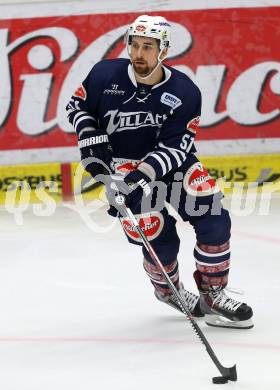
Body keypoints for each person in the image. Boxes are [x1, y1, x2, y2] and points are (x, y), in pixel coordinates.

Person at [66, 15, 253, 329]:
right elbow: (77, 106)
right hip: (120, 165)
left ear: (163, 51)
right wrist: (90, 137)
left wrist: (142, 177)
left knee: (213, 217)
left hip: (170, 163)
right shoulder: (104, 75)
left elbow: (176, 147)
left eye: (148, 47)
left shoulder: (185, 92)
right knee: (156, 233)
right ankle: (170, 291)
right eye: (135, 45)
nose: (139, 53)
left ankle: (214, 294)